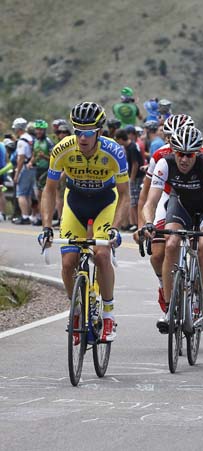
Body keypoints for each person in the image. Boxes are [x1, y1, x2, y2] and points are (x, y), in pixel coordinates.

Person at [40, 102, 128, 342]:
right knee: (68, 262)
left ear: (99, 132)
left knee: (101, 254)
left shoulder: (114, 152)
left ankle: (108, 315)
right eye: (78, 131)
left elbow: (125, 195)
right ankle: (77, 310)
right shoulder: (62, 150)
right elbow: (49, 190)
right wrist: (47, 226)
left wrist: (116, 229)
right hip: (75, 202)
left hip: (105, 203)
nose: (82, 137)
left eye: (88, 132)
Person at [142, 125, 203, 334]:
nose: (184, 159)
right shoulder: (164, 164)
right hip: (181, 205)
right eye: (180, 154)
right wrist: (149, 223)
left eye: (189, 155)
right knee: (171, 244)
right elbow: (150, 203)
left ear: (196, 153)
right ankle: (169, 309)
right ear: (173, 152)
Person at [136, 114, 197, 313]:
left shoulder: (201, 153)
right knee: (157, 254)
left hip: (196, 199)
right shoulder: (160, 156)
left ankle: (201, 295)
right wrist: (142, 224)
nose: (173, 144)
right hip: (168, 198)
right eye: (169, 138)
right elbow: (146, 195)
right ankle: (165, 286)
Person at [11, 118, 36, 225]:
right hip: (32, 168)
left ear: (18, 128)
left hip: (25, 168)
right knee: (28, 193)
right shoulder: (31, 138)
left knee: (21, 193)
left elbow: (21, 158)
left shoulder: (22, 141)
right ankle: (29, 215)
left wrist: (17, 174)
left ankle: (24, 216)